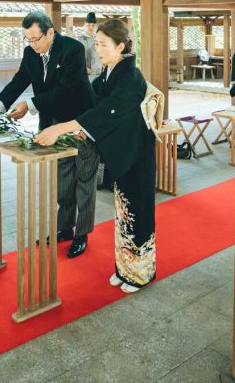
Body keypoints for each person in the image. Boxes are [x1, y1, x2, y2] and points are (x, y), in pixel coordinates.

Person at [35, 19, 156, 292]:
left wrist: (63, 127)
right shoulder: (108, 73)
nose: (98, 49)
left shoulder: (131, 77)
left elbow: (105, 112)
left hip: (136, 155)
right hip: (122, 154)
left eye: (103, 45)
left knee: (138, 215)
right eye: (97, 44)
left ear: (121, 46)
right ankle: (124, 269)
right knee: (123, 215)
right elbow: (93, 105)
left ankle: (141, 274)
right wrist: (81, 129)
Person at [0, 11, 96, 258]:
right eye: (29, 40)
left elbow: (65, 90)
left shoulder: (73, 49)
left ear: (50, 32)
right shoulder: (30, 53)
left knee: (84, 178)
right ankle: (65, 228)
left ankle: (82, 234)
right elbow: (19, 81)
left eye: (36, 39)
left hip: (79, 121)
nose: (33, 45)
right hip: (51, 122)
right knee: (63, 178)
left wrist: (30, 105)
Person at [76, 12, 103, 81]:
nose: (91, 27)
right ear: (84, 25)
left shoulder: (99, 40)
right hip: (83, 74)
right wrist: (82, 67)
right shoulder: (79, 40)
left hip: (98, 73)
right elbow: (75, 57)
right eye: (88, 25)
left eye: (93, 25)